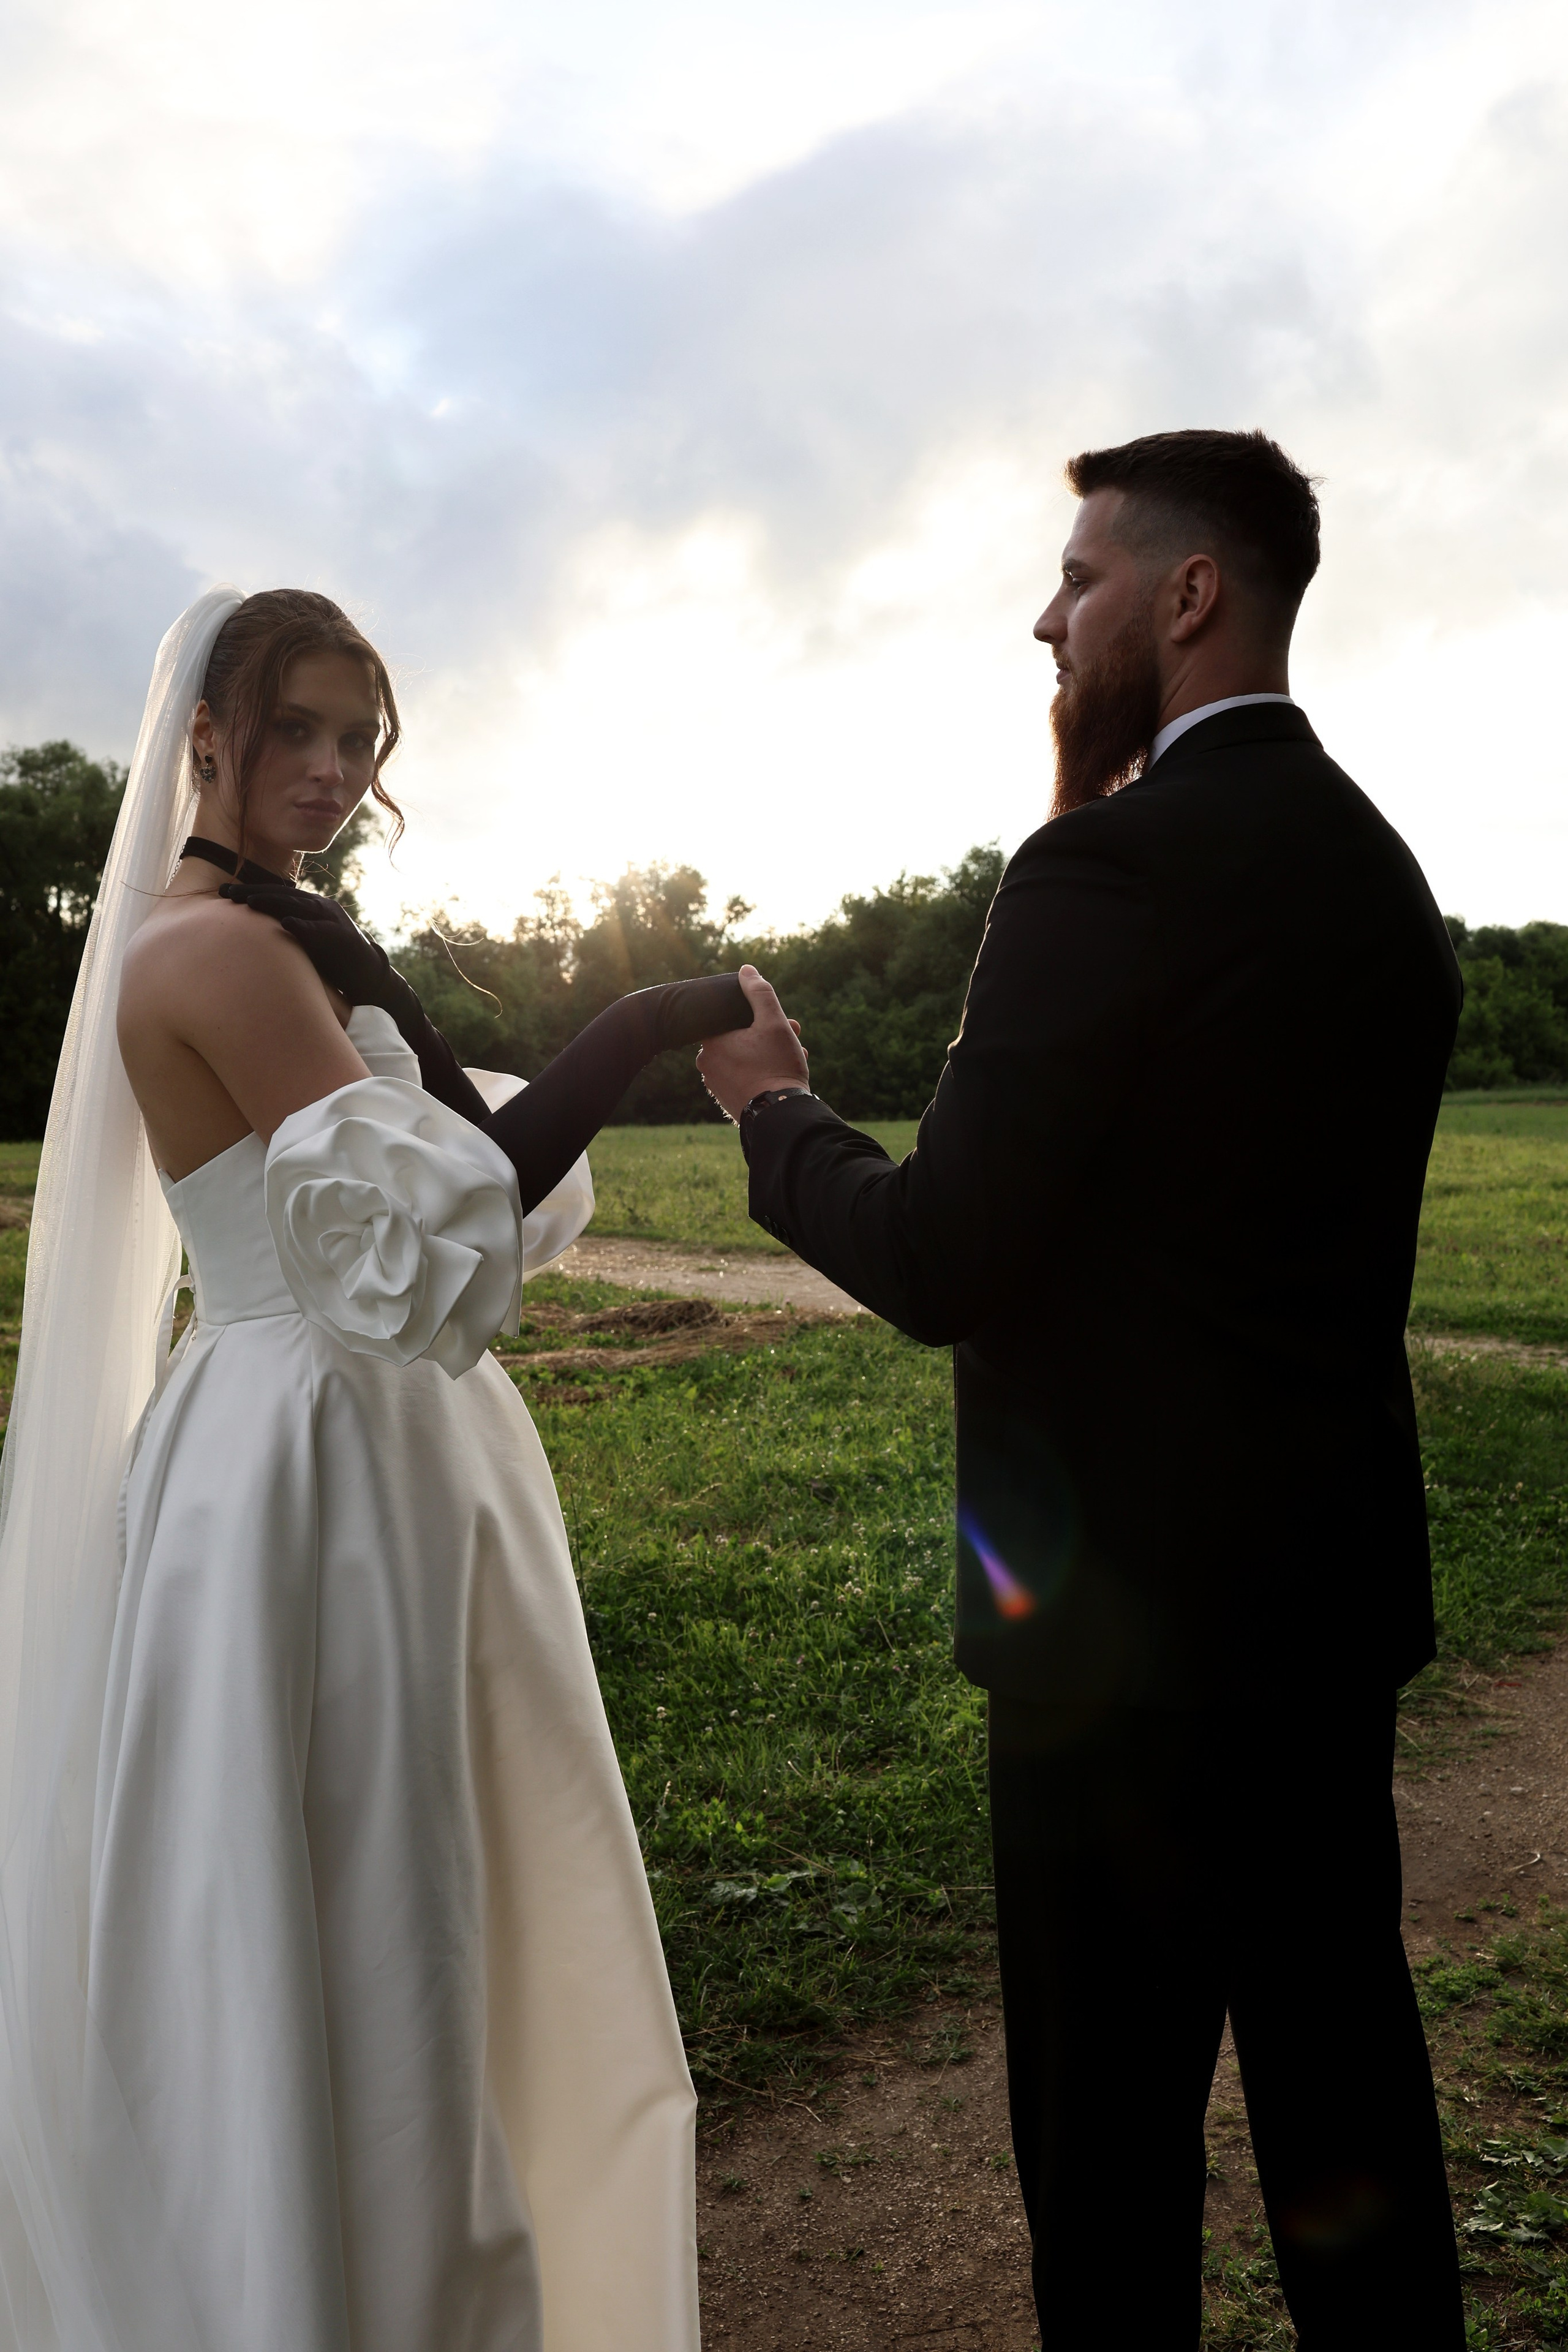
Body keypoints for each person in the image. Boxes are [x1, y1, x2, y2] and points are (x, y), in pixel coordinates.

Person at [696, 431, 1466, 2348]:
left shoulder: (1103, 869)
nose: (1047, 622)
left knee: (1111, 2151)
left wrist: (777, 1113)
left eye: (1077, 580)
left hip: (1115, 1656)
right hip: (1325, 1614)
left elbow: (941, 1254)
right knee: (1351, 2112)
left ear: (1190, 594)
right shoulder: (1383, 873)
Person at [0, 585, 750, 2352]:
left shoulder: (285, 930)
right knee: (361, 1888)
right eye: (299, 730)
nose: (335, 770)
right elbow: (455, 1205)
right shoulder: (215, 954)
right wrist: (646, 1018)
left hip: (387, 1429)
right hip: (308, 1455)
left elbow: (457, 1165)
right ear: (206, 734)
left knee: (439, 1865)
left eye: (360, 739)